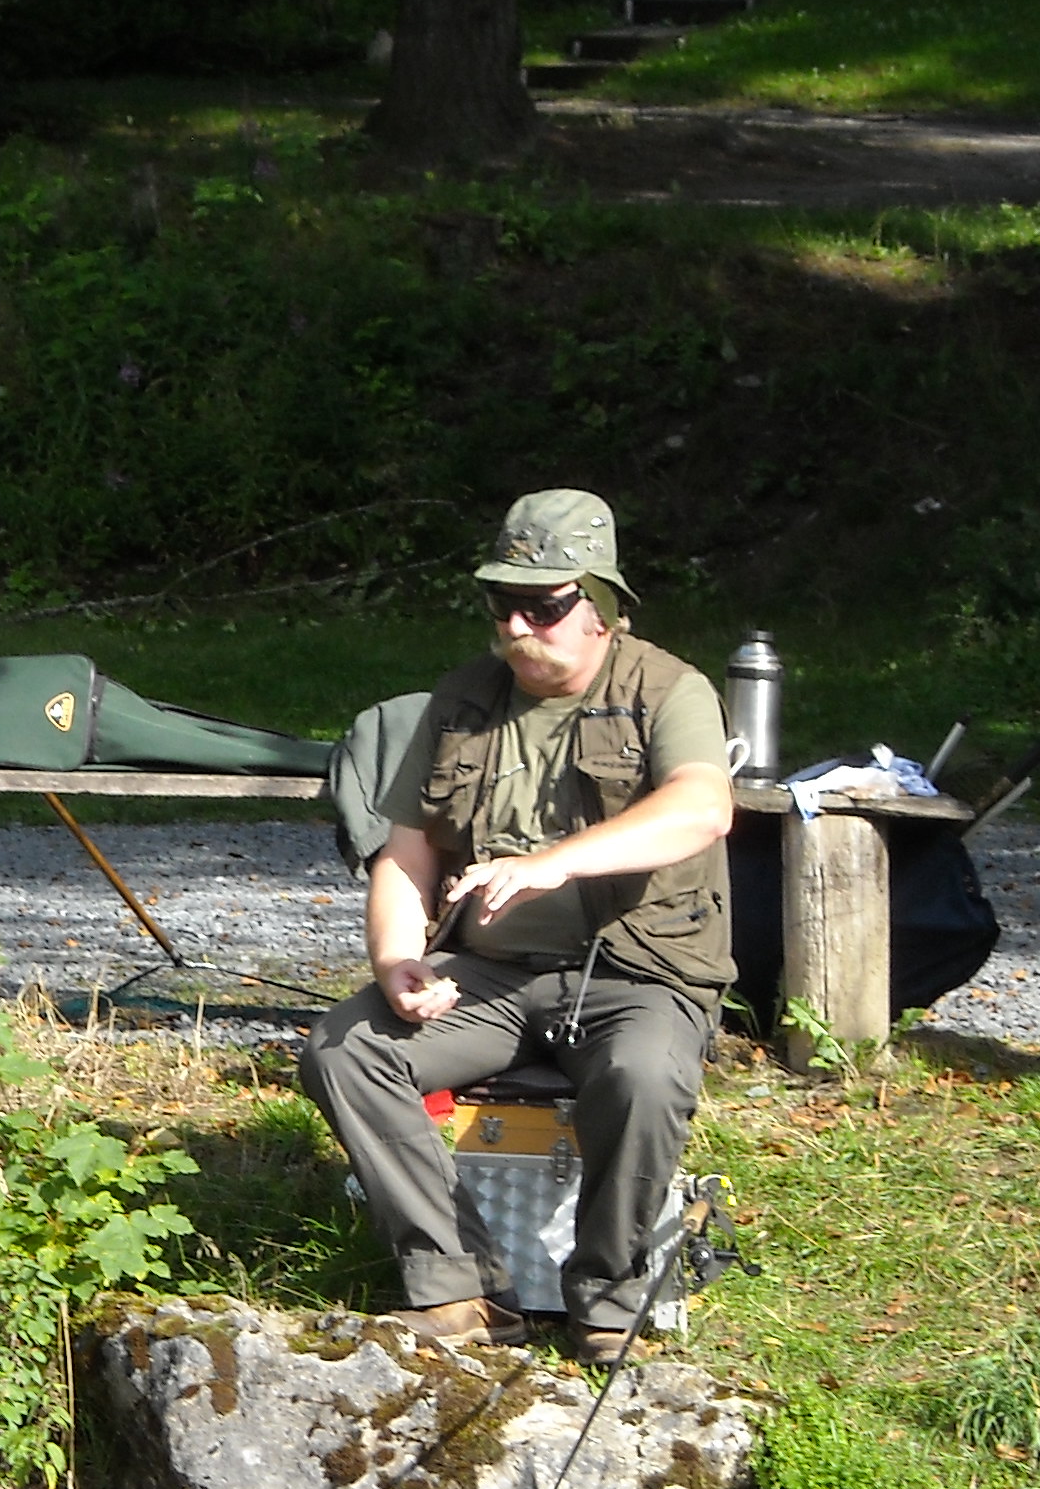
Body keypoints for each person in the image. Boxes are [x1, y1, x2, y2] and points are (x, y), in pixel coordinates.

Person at [298, 489, 736, 1364]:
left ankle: (609, 1302)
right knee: (346, 1050)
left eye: (544, 605)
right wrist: (396, 962)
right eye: (502, 603)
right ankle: (458, 1290)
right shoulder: (463, 700)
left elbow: (702, 808)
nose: (518, 626)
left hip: (638, 971)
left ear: (602, 608)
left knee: (642, 1072)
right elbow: (405, 855)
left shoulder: (669, 689)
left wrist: (555, 860)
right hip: (490, 975)